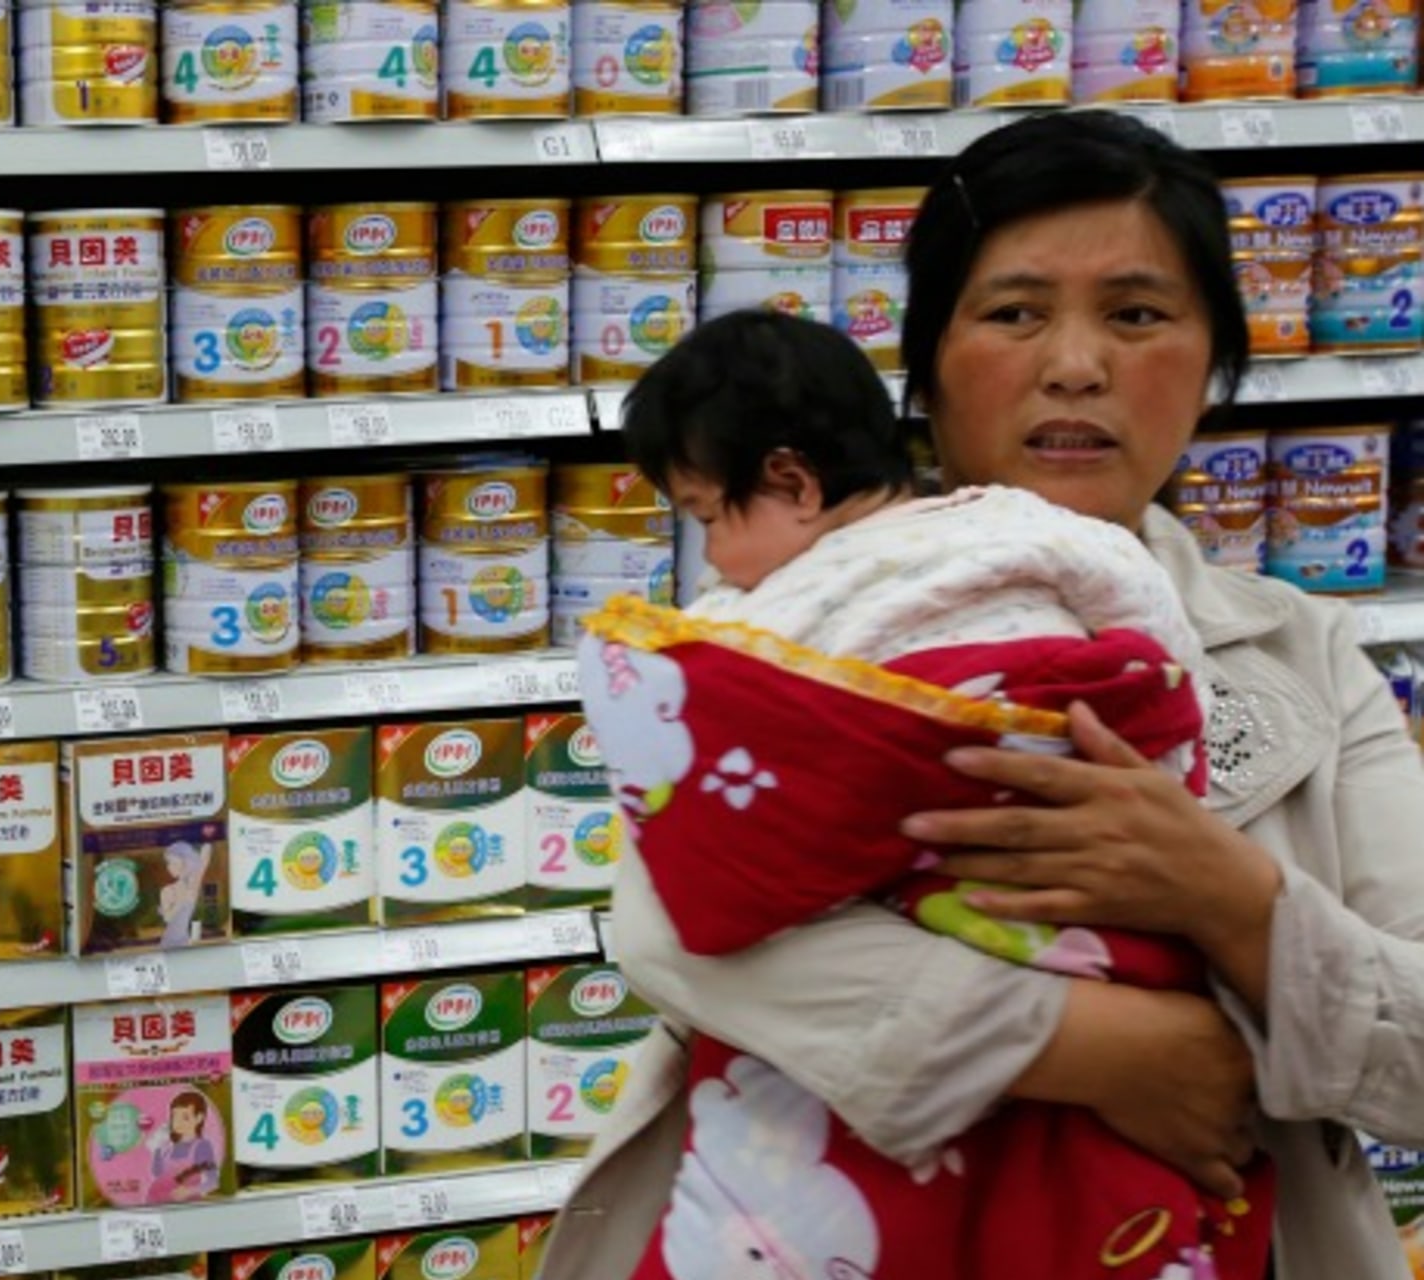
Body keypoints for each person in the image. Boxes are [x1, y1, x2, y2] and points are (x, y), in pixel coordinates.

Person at [538, 110, 1424, 1280]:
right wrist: (1097, 1045)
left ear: (1212, 367)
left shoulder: (1305, 657)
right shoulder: (779, 625)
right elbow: (675, 924)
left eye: (1139, 313)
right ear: (928, 363)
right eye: (1013, 312)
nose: (1075, 364)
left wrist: (1231, 896)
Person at [576, 310, 1264, 1279]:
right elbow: (1162, 666)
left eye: (704, 518)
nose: (711, 561)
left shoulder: (772, 614)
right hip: (1100, 930)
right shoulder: (1039, 532)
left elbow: (703, 788)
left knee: (796, 1182)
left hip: (898, 961)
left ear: (791, 483)